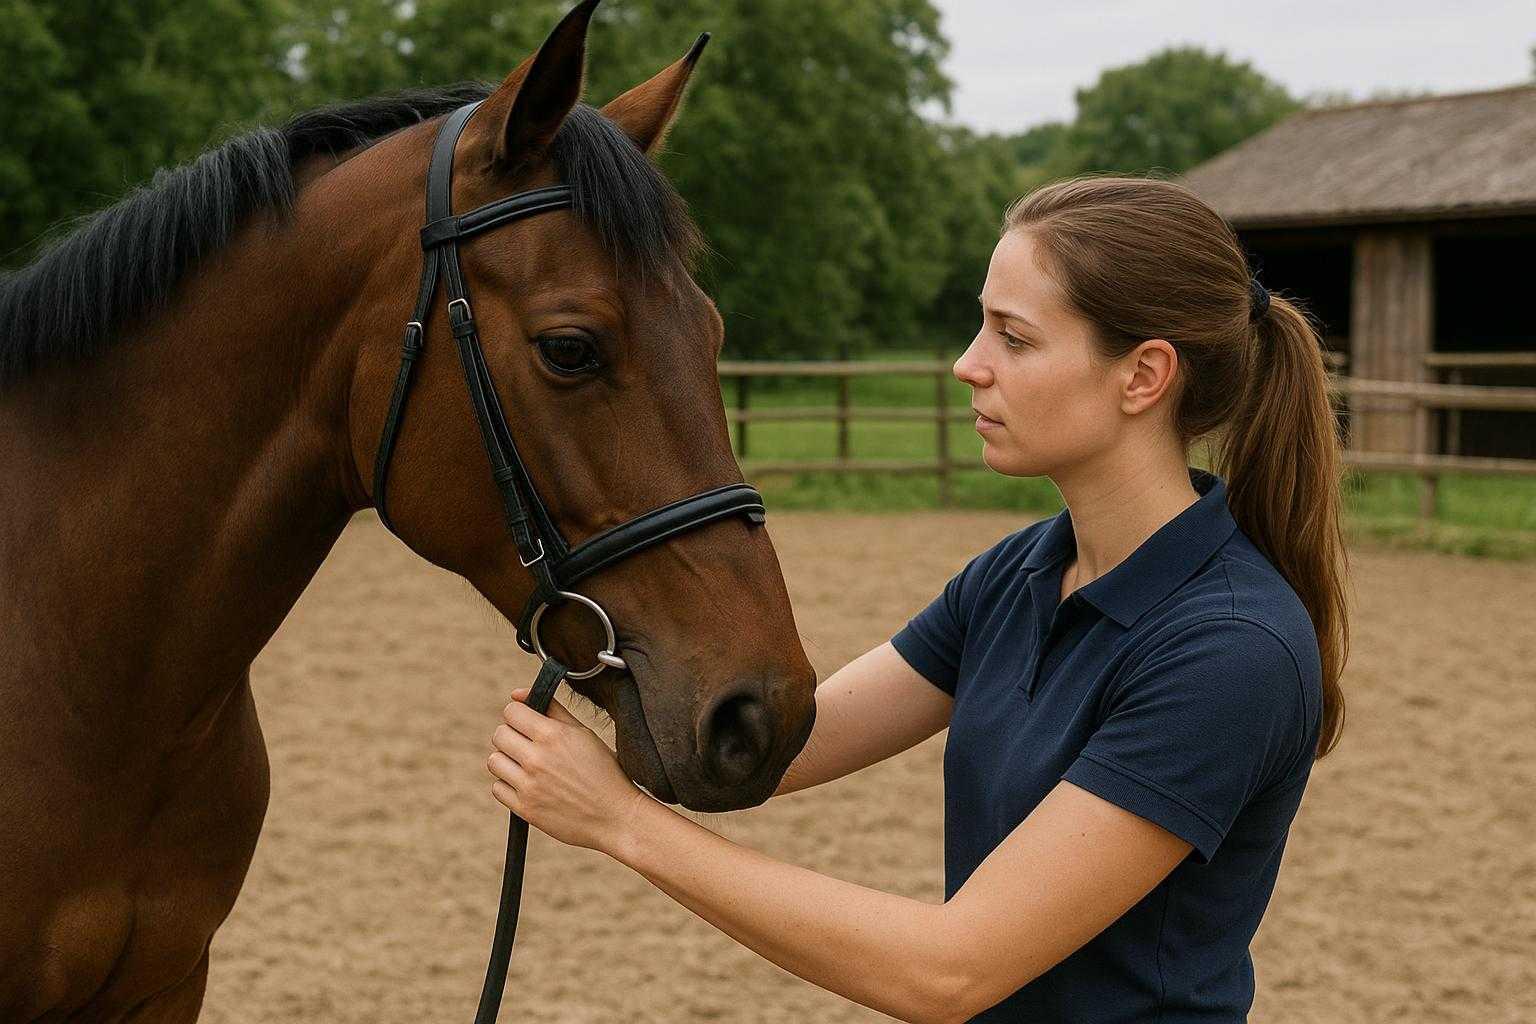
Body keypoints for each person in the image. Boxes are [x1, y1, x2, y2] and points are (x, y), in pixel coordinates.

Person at [486, 174, 1351, 1023]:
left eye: (1013, 338)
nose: (967, 364)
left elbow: (951, 971)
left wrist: (619, 823)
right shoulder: (1017, 575)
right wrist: (613, 646)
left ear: (1143, 376)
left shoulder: (1232, 651)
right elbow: (778, 747)